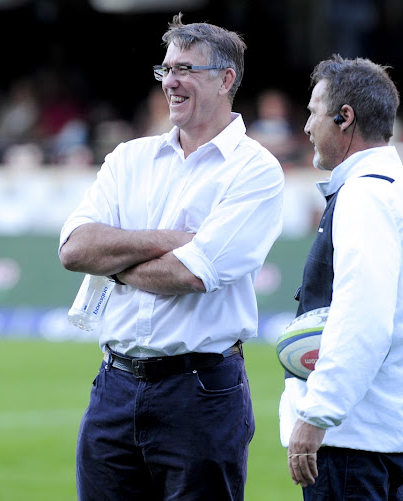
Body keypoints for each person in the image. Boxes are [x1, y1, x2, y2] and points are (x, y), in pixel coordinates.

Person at [58, 13, 284, 500]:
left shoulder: (255, 170)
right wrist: (171, 238)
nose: (171, 81)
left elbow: (191, 274)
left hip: (199, 391)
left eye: (185, 69)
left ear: (226, 79)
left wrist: (115, 260)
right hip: (113, 386)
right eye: (165, 69)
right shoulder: (129, 157)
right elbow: (75, 249)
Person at [280, 54, 403, 500]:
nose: (305, 127)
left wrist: (317, 414)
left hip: (351, 444)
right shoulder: (401, 191)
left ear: (345, 117)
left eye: (313, 112)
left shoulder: (365, 196)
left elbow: (364, 317)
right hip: (382, 439)